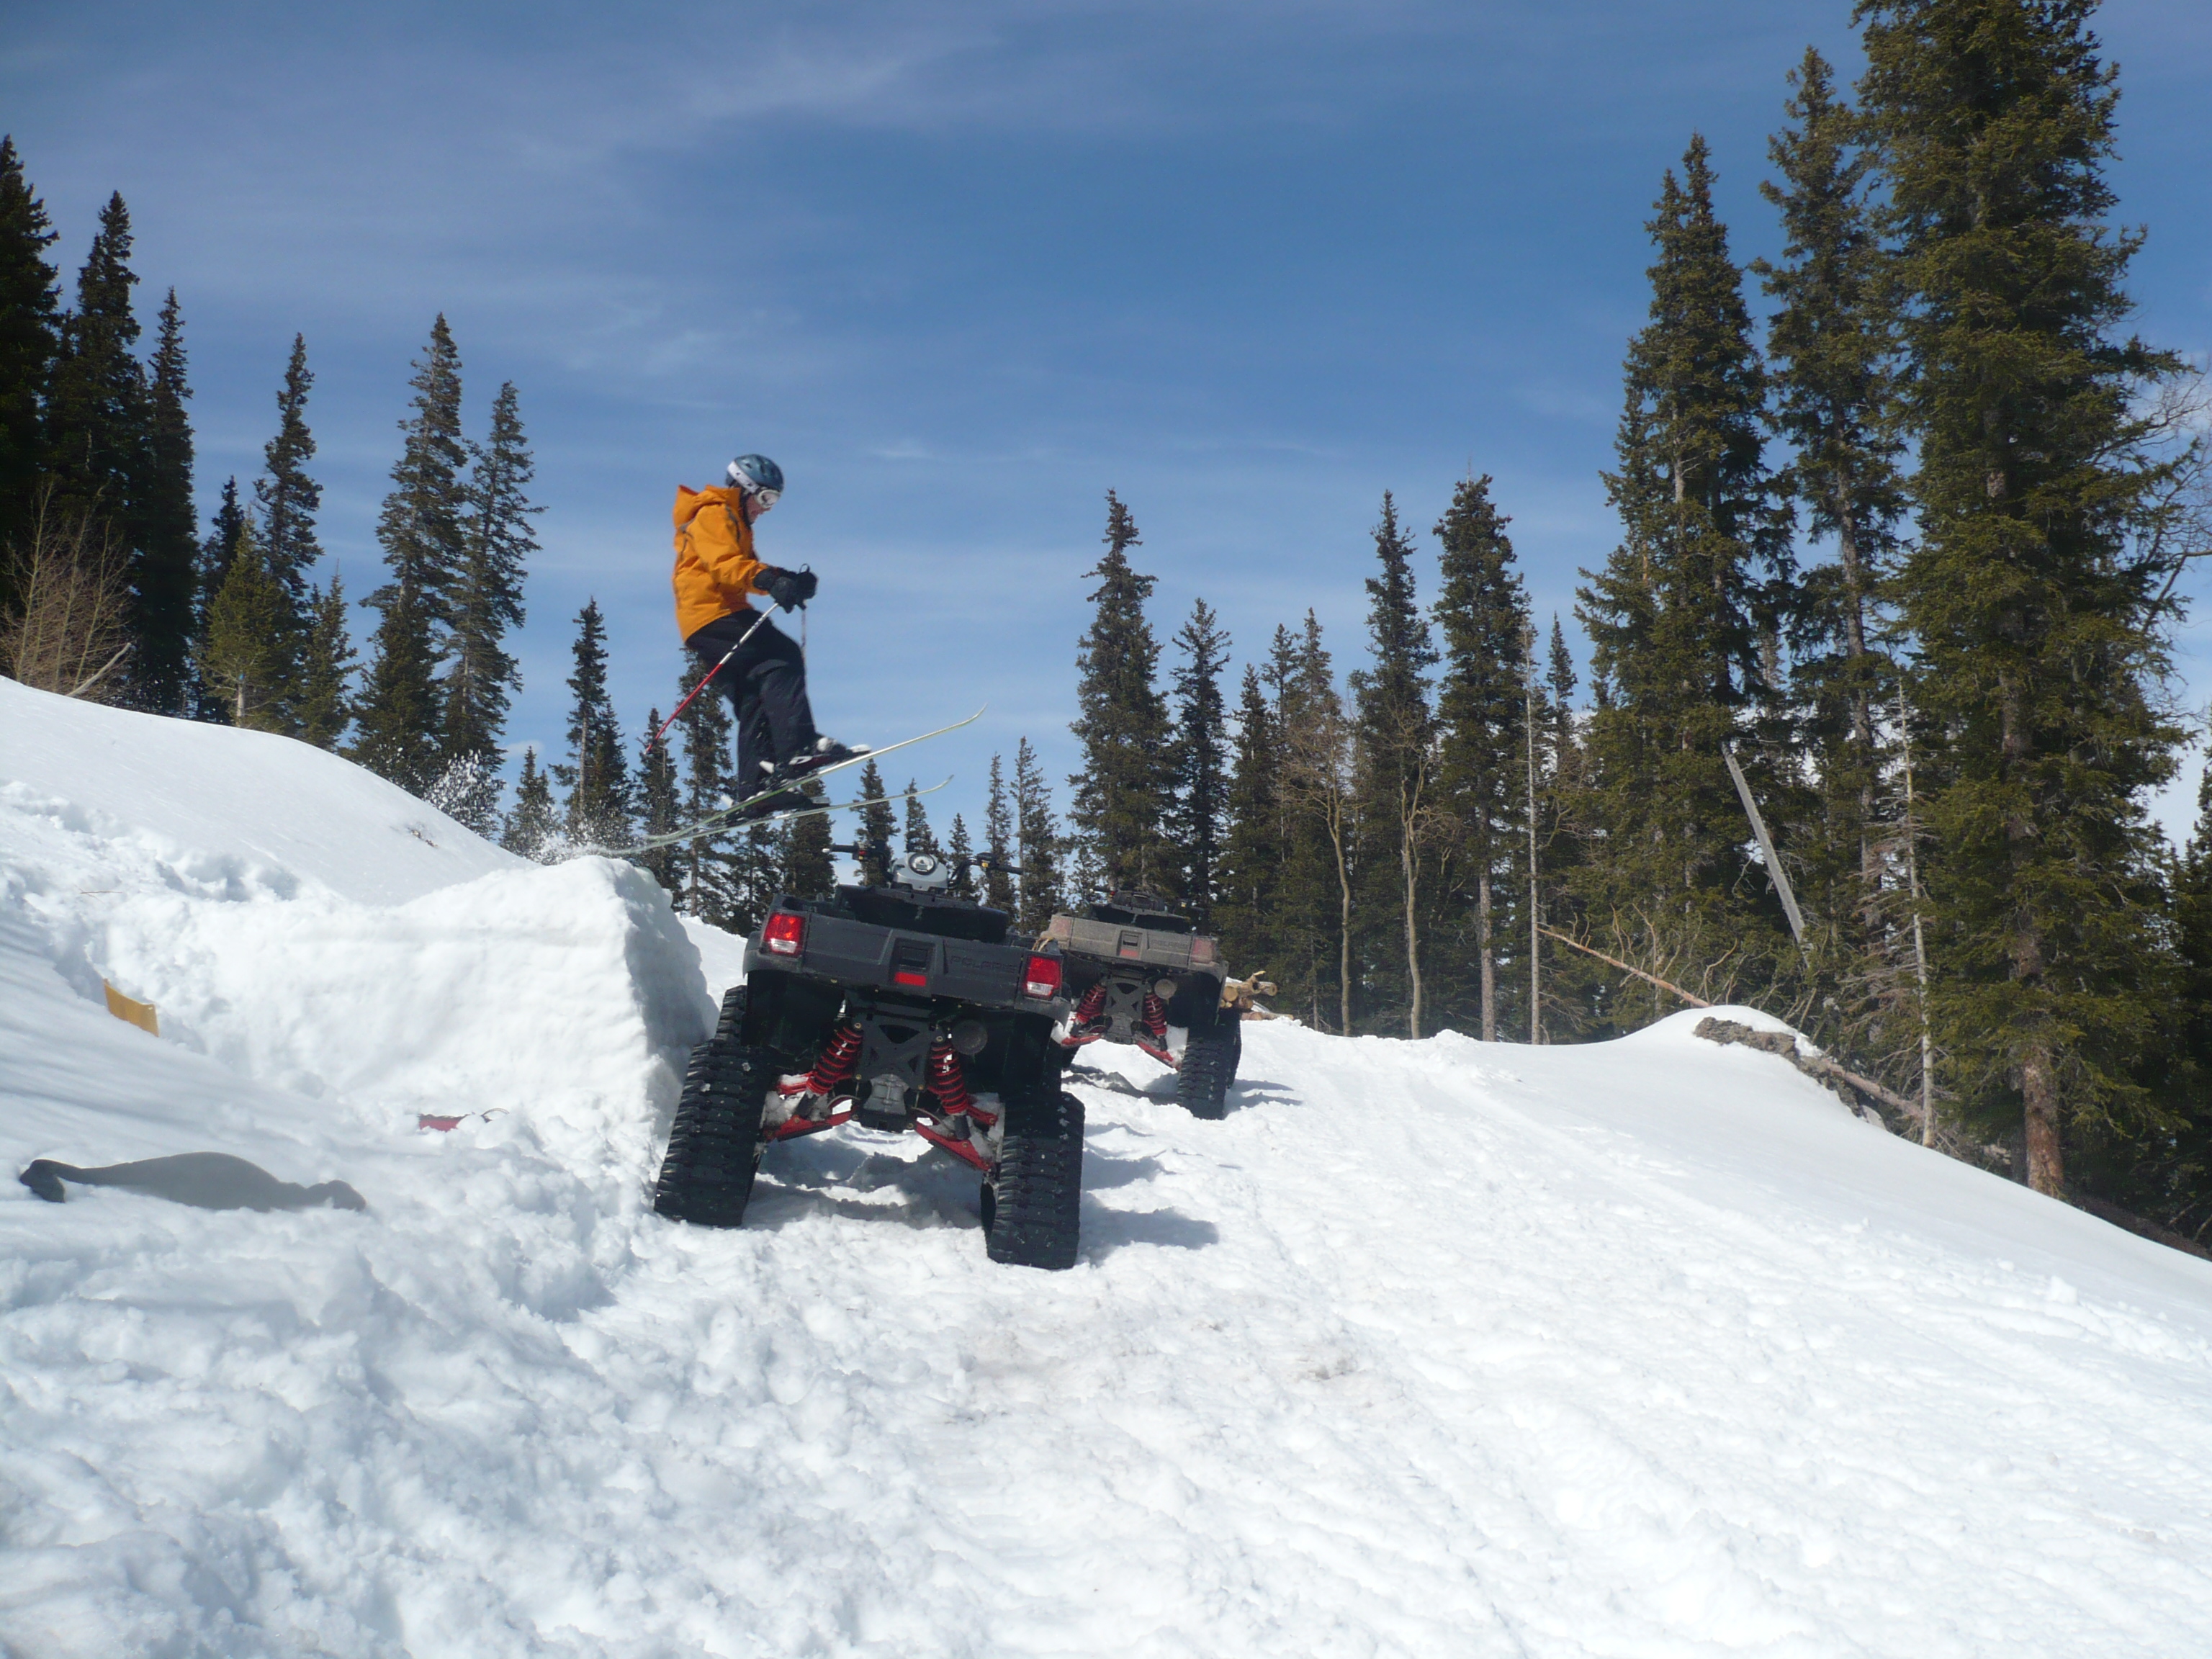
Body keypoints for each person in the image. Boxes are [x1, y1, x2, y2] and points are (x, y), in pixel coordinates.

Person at [673, 454, 861, 817]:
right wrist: (772, 582)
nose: (767, 509)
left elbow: (744, 566)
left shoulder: (735, 520)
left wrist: (787, 577)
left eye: (773, 502)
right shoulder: (715, 512)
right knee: (782, 656)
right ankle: (798, 748)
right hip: (714, 613)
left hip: (703, 620)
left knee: (754, 698)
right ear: (744, 489)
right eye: (765, 499)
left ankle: (756, 788)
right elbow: (726, 566)